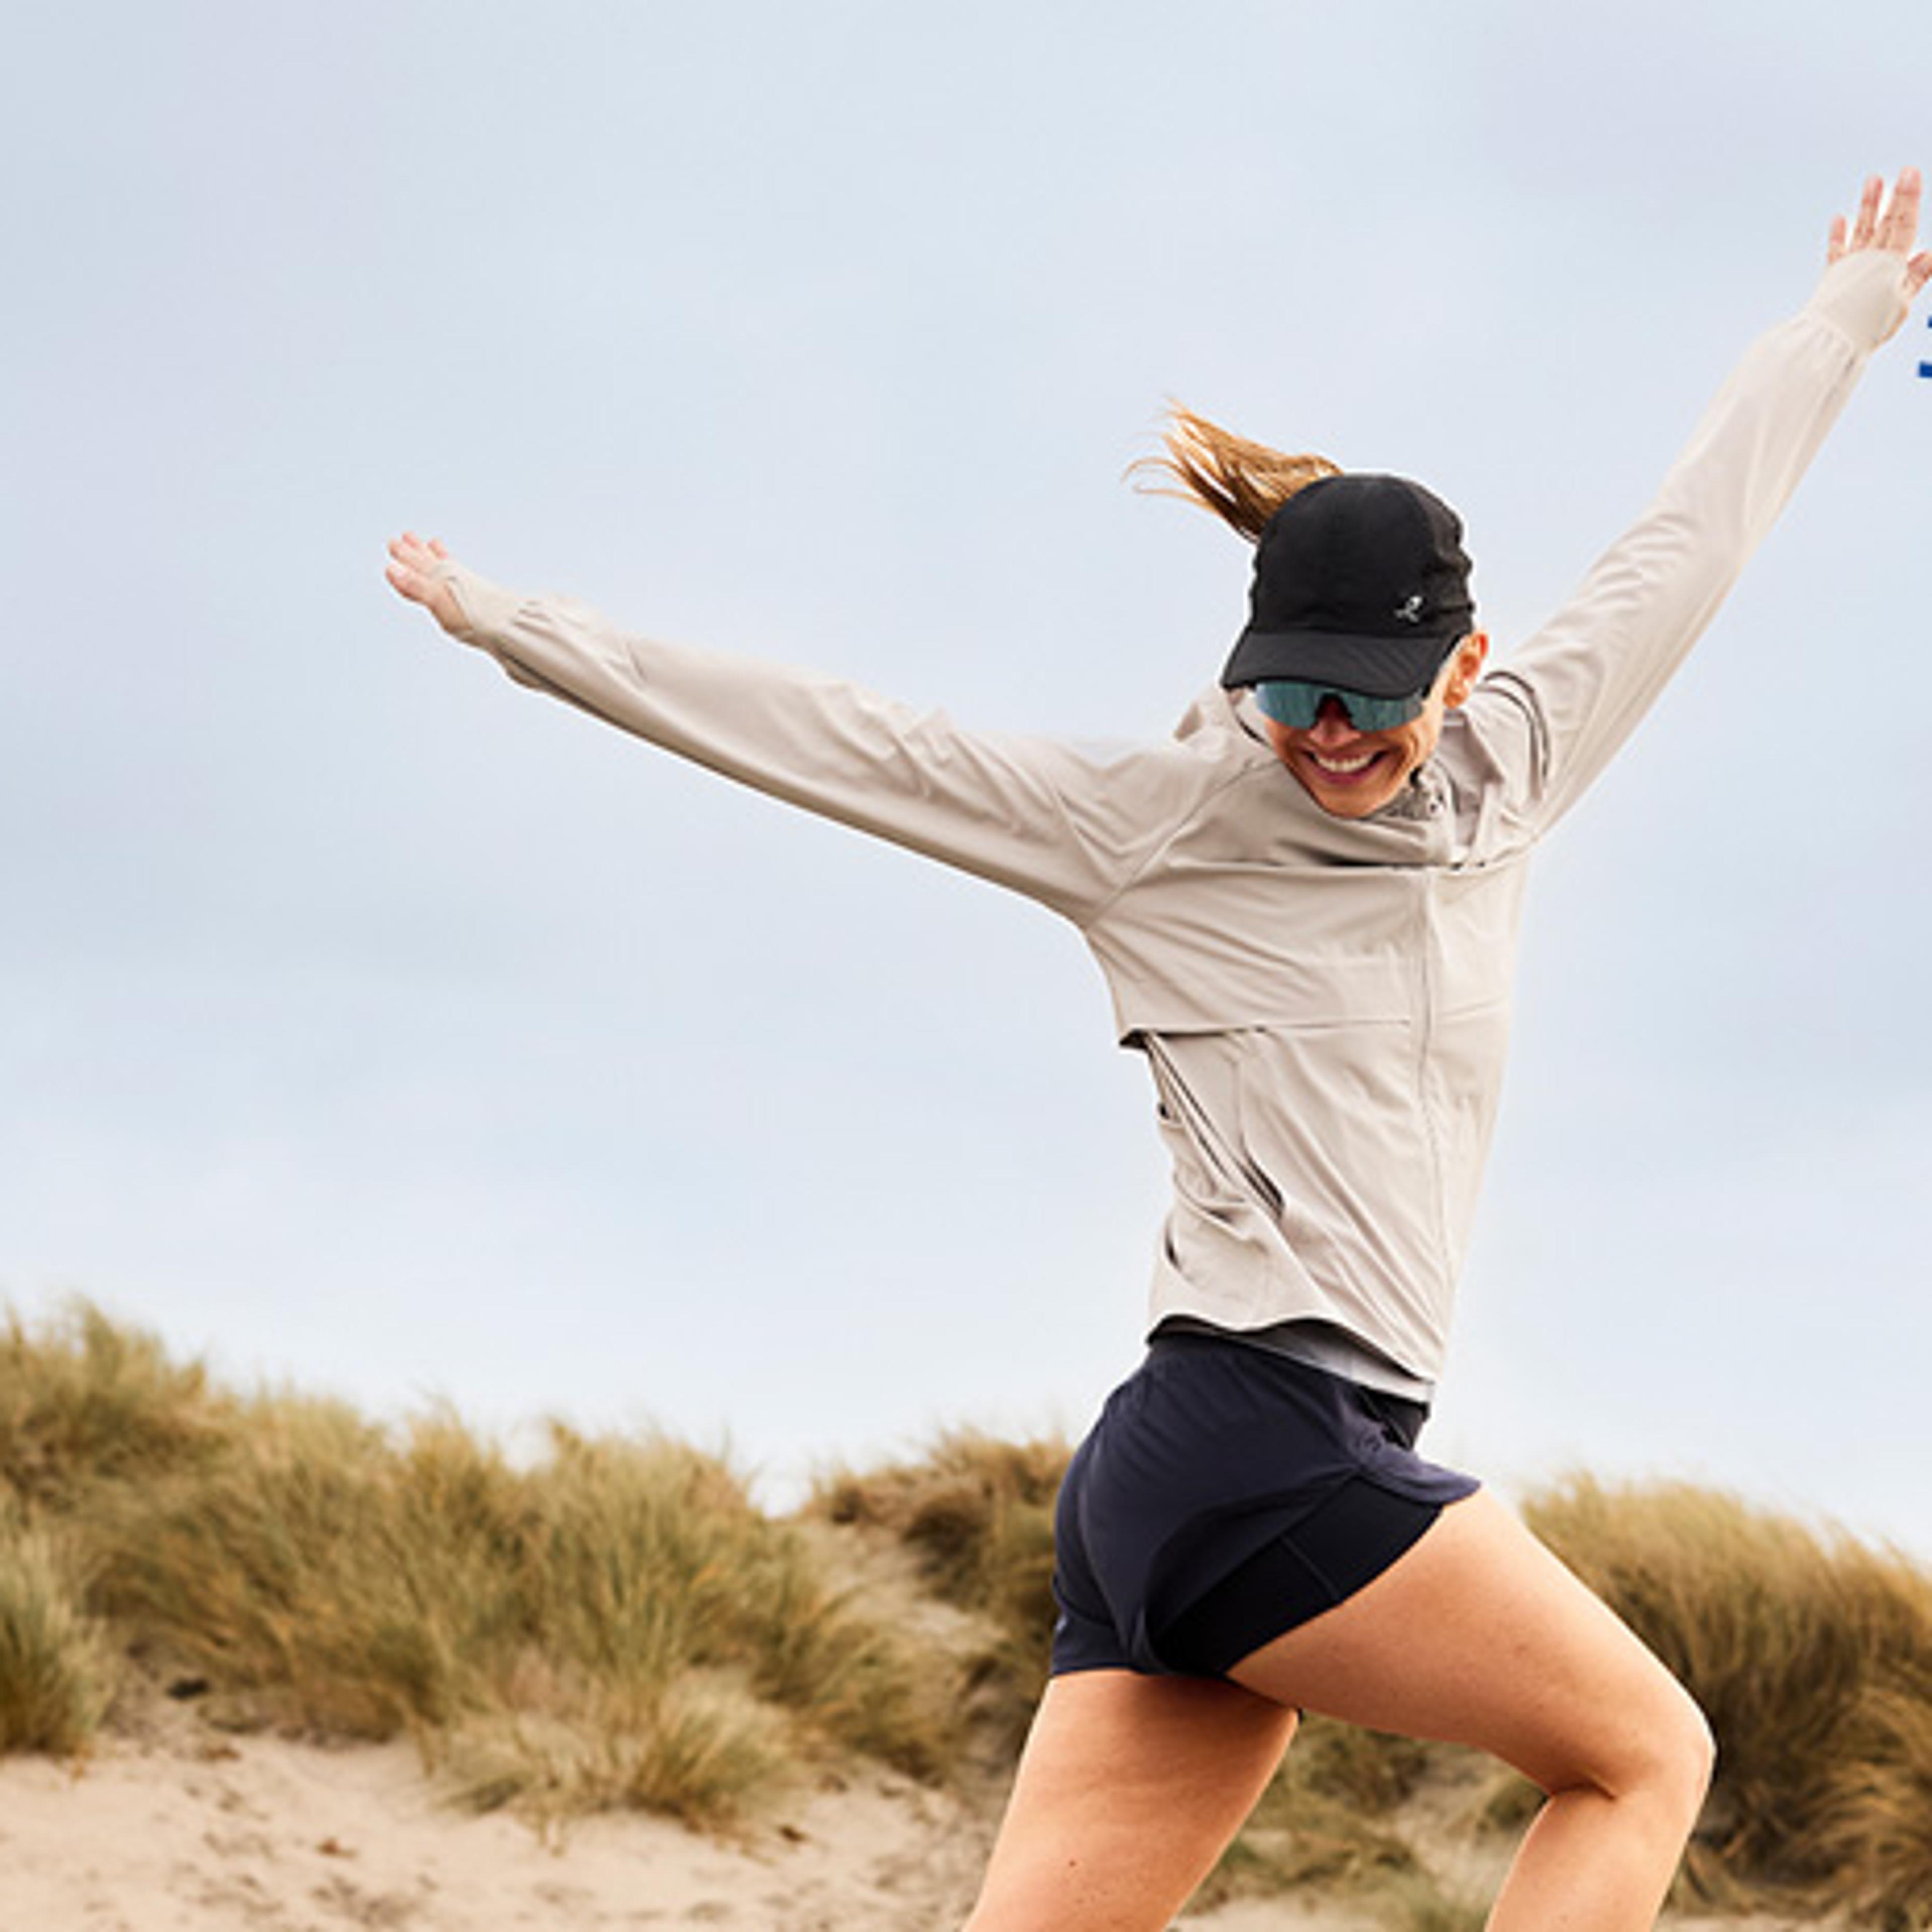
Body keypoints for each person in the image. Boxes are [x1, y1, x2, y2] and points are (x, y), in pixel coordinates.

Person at [386, 171, 1931, 1931]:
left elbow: (1694, 536)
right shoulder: (1159, 823)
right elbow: (858, 745)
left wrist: (1845, 320)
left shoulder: (1523, 761)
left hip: (1170, 1495)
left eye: (1366, 694)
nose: (1327, 735)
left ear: (1464, 664)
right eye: (1290, 693)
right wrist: (526, 632)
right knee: (1647, 1754)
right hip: (1264, 1439)